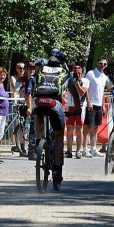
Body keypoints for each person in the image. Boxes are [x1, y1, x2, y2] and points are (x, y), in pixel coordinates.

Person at [25, 49, 81, 191]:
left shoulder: (41, 69)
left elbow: (32, 88)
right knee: (58, 134)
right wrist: (77, 108)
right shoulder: (64, 72)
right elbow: (74, 93)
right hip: (54, 103)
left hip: (38, 101)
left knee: (38, 113)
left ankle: (38, 142)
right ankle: (56, 168)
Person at [82, 57, 113, 158]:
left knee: (95, 128)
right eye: (100, 63)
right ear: (97, 63)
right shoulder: (90, 73)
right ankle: (84, 149)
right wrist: (89, 102)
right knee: (87, 127)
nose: (102, 65)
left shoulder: (104, 77)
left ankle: (93, 148)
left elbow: (103, 91)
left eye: (104, 64)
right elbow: (85, 89)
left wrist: (103, 105)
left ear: (106, 65)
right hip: (90, 104)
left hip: (99, 105)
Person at [65, 65, 89, 159]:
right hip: (70, 106)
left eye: (79, 73)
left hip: (80, 107)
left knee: (79, 129)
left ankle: (78, 151)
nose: (77, 75)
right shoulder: (68, 80)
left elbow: (82, 92)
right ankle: (69, 150)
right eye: (76, 73)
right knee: (69, 129)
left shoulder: (85, 81)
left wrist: (76, 83)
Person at [8, 62, 26, 152]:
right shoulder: (13, 78)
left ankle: (21, 145)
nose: (22, 70)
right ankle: (15, 144)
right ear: (16, 68)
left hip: (23, 103)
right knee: (13, 125)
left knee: (22, 126)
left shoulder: (26, 79)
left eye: (23, 68)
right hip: (15, 103)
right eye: (20, 68)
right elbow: (16, 88)